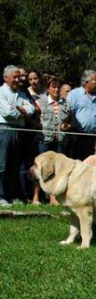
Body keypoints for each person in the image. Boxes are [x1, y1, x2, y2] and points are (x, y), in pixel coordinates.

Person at [33, 76, 72, 205]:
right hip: (44, 139)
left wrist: (67, 126)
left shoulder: (66, 103)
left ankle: (53, 198)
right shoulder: (40, 102)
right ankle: (36, 197)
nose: (56, 89)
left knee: (57, 169)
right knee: (40, 167)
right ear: (48, 89)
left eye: (58, 86)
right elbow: (33, 119)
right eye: (53, 86)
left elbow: (70, 121)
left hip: (60, 140)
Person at [0, 65, 36, 206]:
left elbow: (31, 109)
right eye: (14, 77)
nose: (17, 79)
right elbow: (8, 113)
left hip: (18, 131)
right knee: (2, 165)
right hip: (4, 130)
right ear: (6, 77)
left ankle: (11, 195)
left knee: (14, 165)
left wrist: (21, 110)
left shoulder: (21, 94)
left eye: (18, 77)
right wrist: (22, 112)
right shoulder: (1, 92)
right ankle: (1, 196)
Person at [67, 69, 96, 160]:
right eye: (95, 81)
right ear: (86, 82)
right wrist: (72, 132)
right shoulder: (74, 94)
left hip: (93, 137)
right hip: (78, 136)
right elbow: (68, 114)